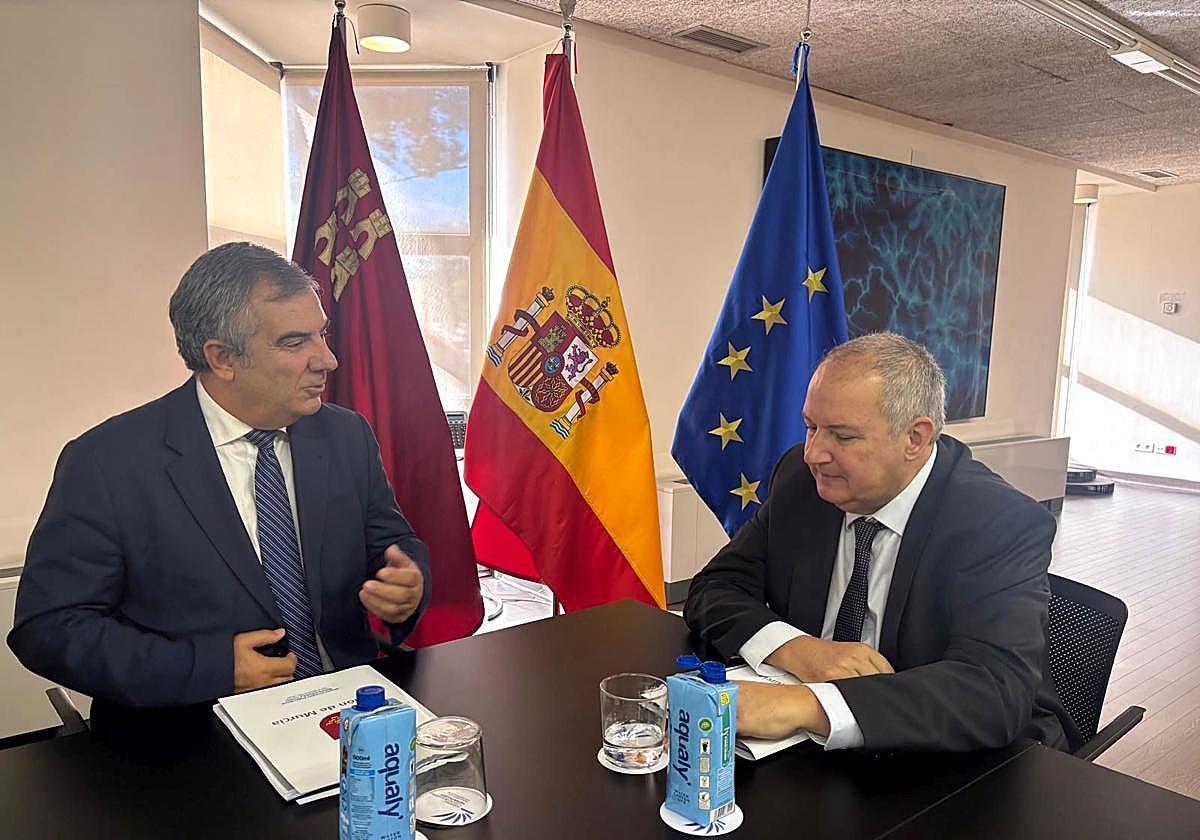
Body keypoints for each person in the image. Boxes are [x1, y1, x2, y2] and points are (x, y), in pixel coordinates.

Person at [9, 242, 430, 729]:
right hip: (190, 735)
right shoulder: (107, 463)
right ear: (222, 357)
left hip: (351, 714)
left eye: (322, 335)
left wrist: (408, 584)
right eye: (295, 342)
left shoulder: (346, 435)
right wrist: (206, 667)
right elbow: (49, 628)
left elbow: (391, 543)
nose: (328, 360)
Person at [684, 332, 1078, 753]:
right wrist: (800, 650)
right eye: (811, 427)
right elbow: (714, 588)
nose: (814, 453)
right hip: (820, 756)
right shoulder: (803, 482)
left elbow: (992, 692)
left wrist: (810, 705)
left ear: (915, 438)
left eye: (842, 436)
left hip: (970, 761)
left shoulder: (998, 522)